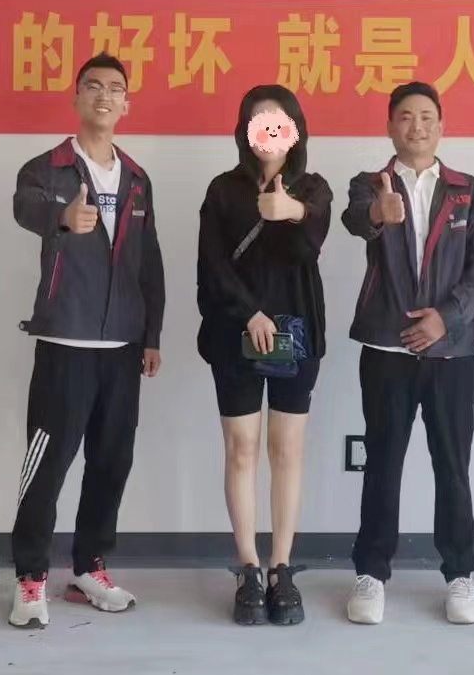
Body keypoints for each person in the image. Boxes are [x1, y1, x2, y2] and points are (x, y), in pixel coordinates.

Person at [6, 53, 165, 629]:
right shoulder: (47, 168)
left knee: (111, 461)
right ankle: (30, 578)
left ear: (126, 103)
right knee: (47, 466)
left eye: (115, 88)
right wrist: (61, 217)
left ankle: (89, 567)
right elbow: (24, 206)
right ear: (76, 98)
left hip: (122, 347)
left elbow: (149, 262)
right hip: (65, 340)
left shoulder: (137, 178)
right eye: (93, 86)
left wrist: (151, 335)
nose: (104, 95)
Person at [340, 81, 474, 626]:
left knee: (453, 466)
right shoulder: (370, 183)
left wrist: (445, 318)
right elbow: (354, 219)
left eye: (427, 116)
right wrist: (379, 213)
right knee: (383, 463)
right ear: (391, 126)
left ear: (441, 125)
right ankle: (370, 572)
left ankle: (459, 574)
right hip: (386, 347)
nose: (417, 126)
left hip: (451, 352)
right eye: (406, 117)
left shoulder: (468, 191)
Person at [196, 84, 333, 626]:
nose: (269, 131)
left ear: (295, 130)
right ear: (244, 130)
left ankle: (281, 566)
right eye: (259, 121)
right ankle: (249, 566)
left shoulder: (314, 189)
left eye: (279, 121)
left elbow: (308, 247)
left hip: (298, 332)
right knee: (241, 449)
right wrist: (248, 312)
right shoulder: (222, 189)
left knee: (286, 449)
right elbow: (211, 266)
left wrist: (291, 209)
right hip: (236, 331)